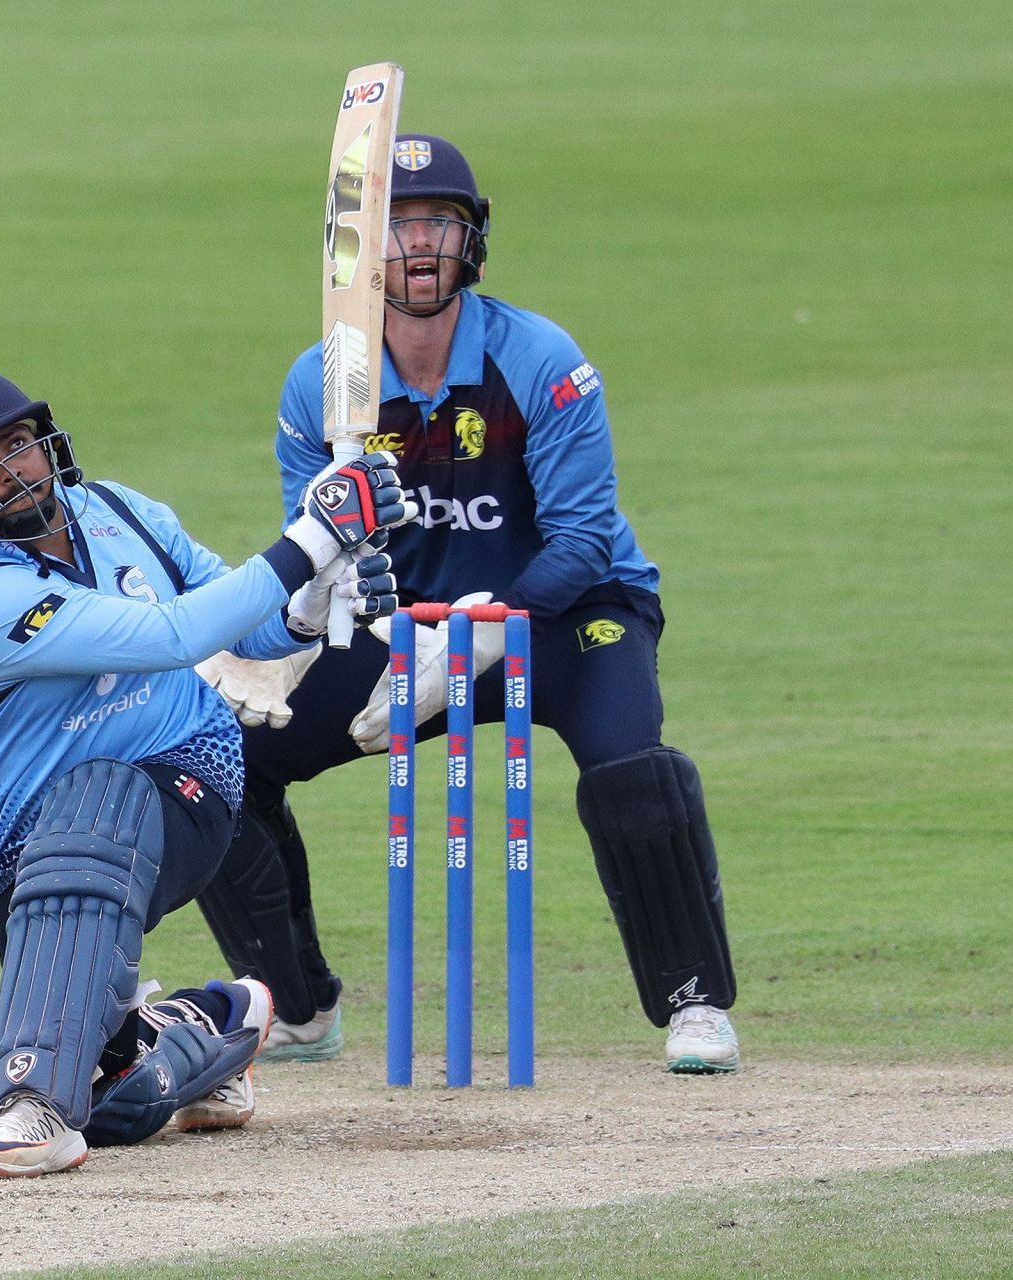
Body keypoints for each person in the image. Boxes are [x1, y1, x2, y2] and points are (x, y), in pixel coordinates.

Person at [193, 134, 741, 1074]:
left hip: (570, 616)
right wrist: (288, 629)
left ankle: (696, 1006)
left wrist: (494, 625)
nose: (417, 246)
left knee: (629, 766)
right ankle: (295, 1006)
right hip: (412, 627)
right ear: (360, 254)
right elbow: (329, 546)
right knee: (222, 759)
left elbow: (583, 540)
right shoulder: (322, 384)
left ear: (470, 243)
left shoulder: (540, 359)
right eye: (398, 226)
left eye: (437, 224)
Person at [0, 368, 415, 1176]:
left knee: (98, 795)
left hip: (186, 776)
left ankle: (30, 1105)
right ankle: (212, 1027)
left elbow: (244, 631)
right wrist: (314, 541)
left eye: (18, 445)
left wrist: (309, 606)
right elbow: (175, 633)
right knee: (125, 1098)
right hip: (23, 853)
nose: (11, 470)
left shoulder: (120, 511)